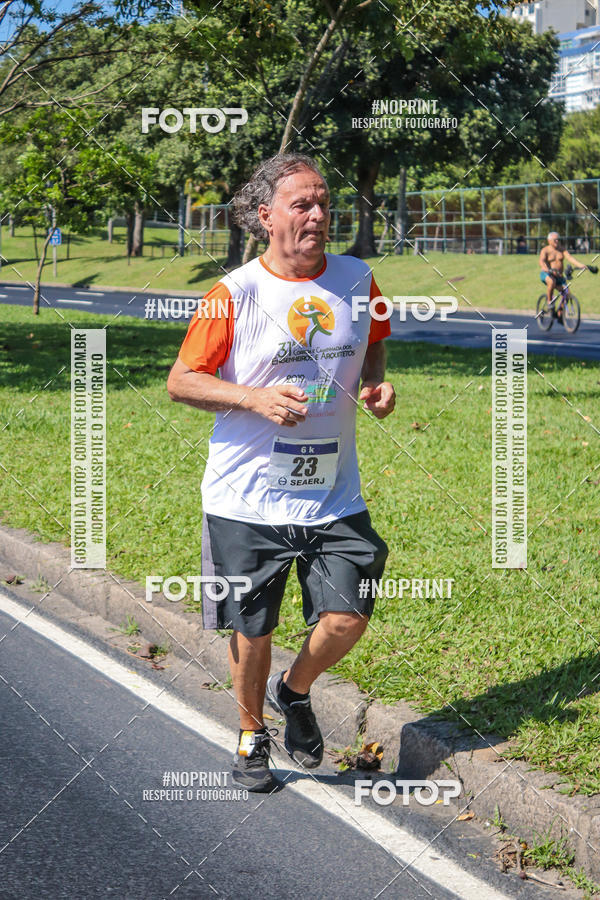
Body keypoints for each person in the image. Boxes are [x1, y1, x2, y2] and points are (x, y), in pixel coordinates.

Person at [167, 154, 395, 792]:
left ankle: (293, 692)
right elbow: (181, 380)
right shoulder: (234, 294)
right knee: (253, 626)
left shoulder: (356, 277)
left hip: (332, 492)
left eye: (324, 203)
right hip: (246, 497)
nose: (319, 215)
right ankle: (248, 733)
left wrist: (374, 384)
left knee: (349, 614)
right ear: (266, 216)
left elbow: (373, 338)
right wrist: (253, 398)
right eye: (303, 204)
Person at [539, 232, 591, 316]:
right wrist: (546, 269)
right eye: (554, 240)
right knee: (551, 282)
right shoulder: (545, 250)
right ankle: (549, 302)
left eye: (558, 239)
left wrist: (582, 266)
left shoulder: (562, 249)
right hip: (547, 274)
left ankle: (560, 313)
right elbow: (541, 261)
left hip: (559, 276)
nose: (557, 241)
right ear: (549, 241)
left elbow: (570, 258)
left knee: (567, 294)